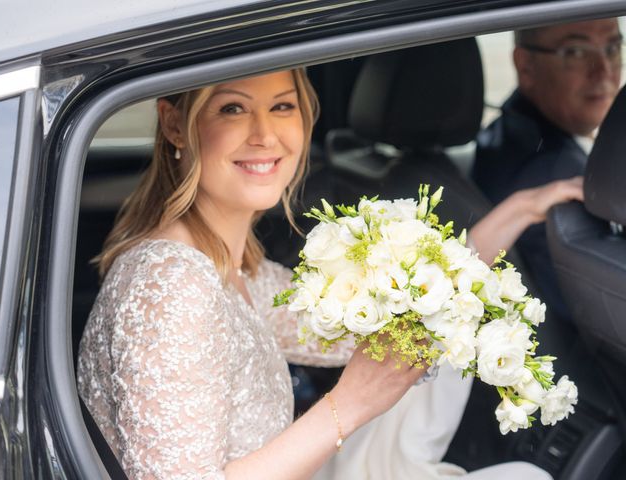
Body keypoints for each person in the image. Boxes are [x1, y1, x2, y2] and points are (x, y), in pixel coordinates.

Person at [77, 68, 581, 479]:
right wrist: (350, 404)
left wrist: (519, 210)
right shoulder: (173, 284)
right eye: (232, 107)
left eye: (282, 106)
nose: (265, 134)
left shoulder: (233, 266)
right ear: (173, 125)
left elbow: (373, 328)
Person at [473, 18, 622, 321]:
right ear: (526, 66)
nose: (604, 70)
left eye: (614, 47)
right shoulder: (555, 176)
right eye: (576, 52)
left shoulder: (511, 133)